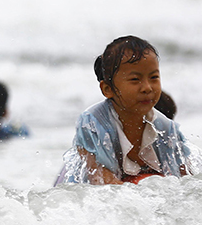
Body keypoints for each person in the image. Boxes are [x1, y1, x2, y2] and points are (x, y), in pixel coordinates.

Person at [54, 36, 193, 185]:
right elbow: (102, 183)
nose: (147, 87)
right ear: (107, 89)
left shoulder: (167, 129)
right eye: (135, 79)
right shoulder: (93, 124)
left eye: (154, 77)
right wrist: (145, 198)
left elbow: (187, 182)